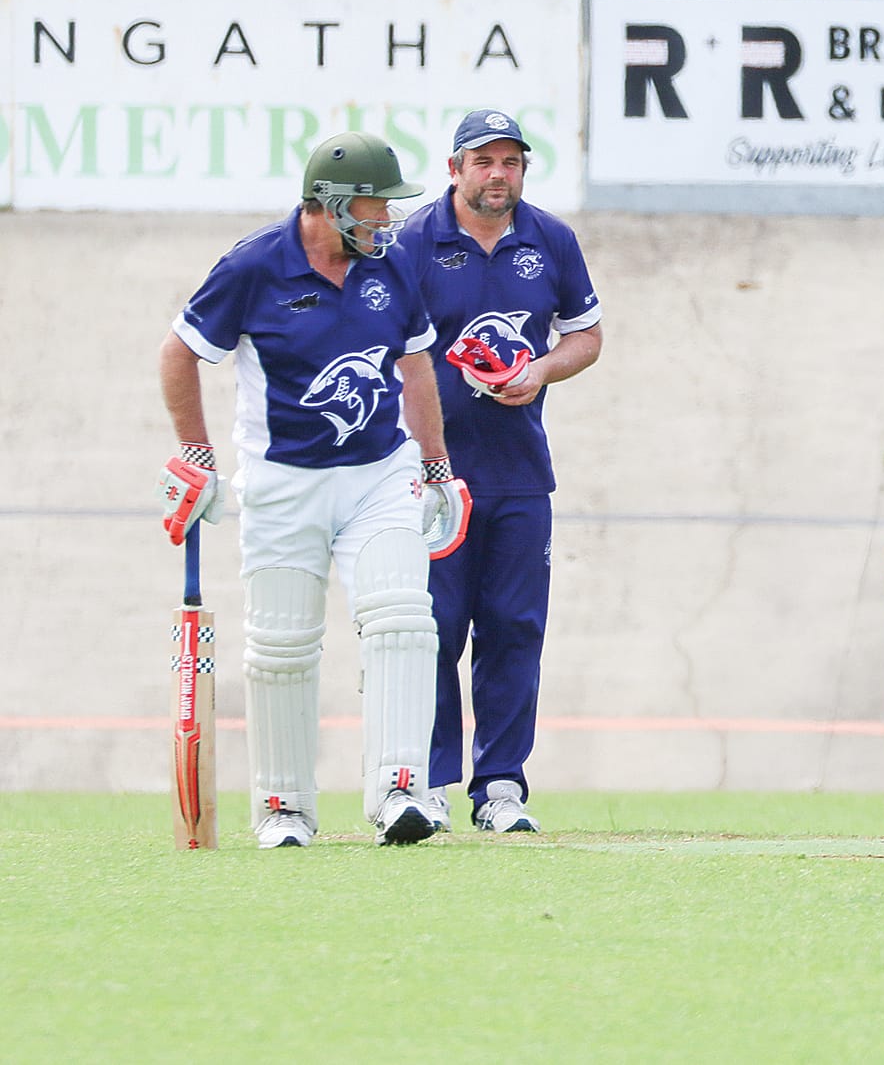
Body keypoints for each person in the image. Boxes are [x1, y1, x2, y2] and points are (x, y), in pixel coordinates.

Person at [156, 131, 470, 849]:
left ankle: (400, 792)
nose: (386, 221)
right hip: (282, 482)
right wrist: (197, 455)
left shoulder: (387, 270)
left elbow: (416, 366)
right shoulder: (254, 266)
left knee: (403, 619)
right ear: (328, 204)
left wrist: (434, 464)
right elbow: (180, 352)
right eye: (373, 205)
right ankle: (282, 808)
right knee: (281, 649)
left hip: (377, 476)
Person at [401, 109, 603, 835]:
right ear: (454, 169)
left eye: (511, 161)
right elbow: (387, 344)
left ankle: (501, 788)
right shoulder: (412, 242)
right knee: (433, 629)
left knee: (514, 630)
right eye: (483, 161)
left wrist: (541, 369)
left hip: (519, 473)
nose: (499, 174)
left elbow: (587, 335)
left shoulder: (550, 240)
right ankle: (425, 785)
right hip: (431, 477)